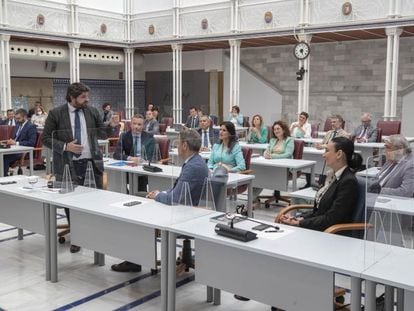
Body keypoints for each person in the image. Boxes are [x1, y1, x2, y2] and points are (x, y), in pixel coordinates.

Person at [42, 82, 118, 253]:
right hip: (69, 164)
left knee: (95, 200)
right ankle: (77, 236)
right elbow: (46, 138)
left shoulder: (92, 111)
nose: (87, 100)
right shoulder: (56, 113)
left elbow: (102, 133)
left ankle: (95, 234)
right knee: (71, 202)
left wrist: (112, 126)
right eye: (83, 97)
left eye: (87, 96)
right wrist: (65, 146)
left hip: (92, 163)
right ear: (72, 97)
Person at [281, 137, 360, 231]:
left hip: (332, 233)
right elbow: (320, 211)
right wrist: (301, 218)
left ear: (339, 154)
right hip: (322, 227)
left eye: (327, 151)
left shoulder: (348, 182)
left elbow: (331, 219)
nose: (323, 155)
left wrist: (299, 223)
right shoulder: (334, 176)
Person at [147, 129, 209, 205]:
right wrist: (163, 193)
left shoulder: (192, 167)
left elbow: (174, 199)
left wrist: (157, 195)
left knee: (141, 195)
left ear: (184, 146)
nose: (177, 146)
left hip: (185, 210)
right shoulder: (196, 161)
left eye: (178, 143)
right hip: (185, 207)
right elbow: (177, 191)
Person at [252, 121, 294, 205]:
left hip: (284, 167)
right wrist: (265, 154)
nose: (276, 131)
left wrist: (272, 156)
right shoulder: (272, 140)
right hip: (271, 165)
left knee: (264, 176)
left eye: (278, 129)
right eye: (274, 129)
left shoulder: (289, 140)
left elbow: (288, 154)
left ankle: (251, 199)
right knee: (258, 174)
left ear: (284, 130)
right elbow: (266, 151)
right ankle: (252, 198)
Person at [113, 114, 155, 191]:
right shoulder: (124, 136)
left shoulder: (149, 137)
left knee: (141, 187)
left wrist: (143, 160)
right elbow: (116, 154)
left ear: (143, 126)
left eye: (139, 124)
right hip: (129, 168)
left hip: (144, 168)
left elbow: (152, 155)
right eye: (134, 124)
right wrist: (130, 158)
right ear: (130, 124)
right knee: (116, 180)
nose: (136, 126)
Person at [2, 109, 37, 176]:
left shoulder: (31, 126)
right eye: (16, 118)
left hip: (24, 152)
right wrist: (10, 142)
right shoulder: (18, 125)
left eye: (18, 118)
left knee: (4, 157)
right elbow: (14, 138)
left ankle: (4, 176)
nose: (17, 120)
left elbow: (31, 142)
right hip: (13, 149)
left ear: (24, 117)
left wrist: (16, 143)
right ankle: (3, 174)